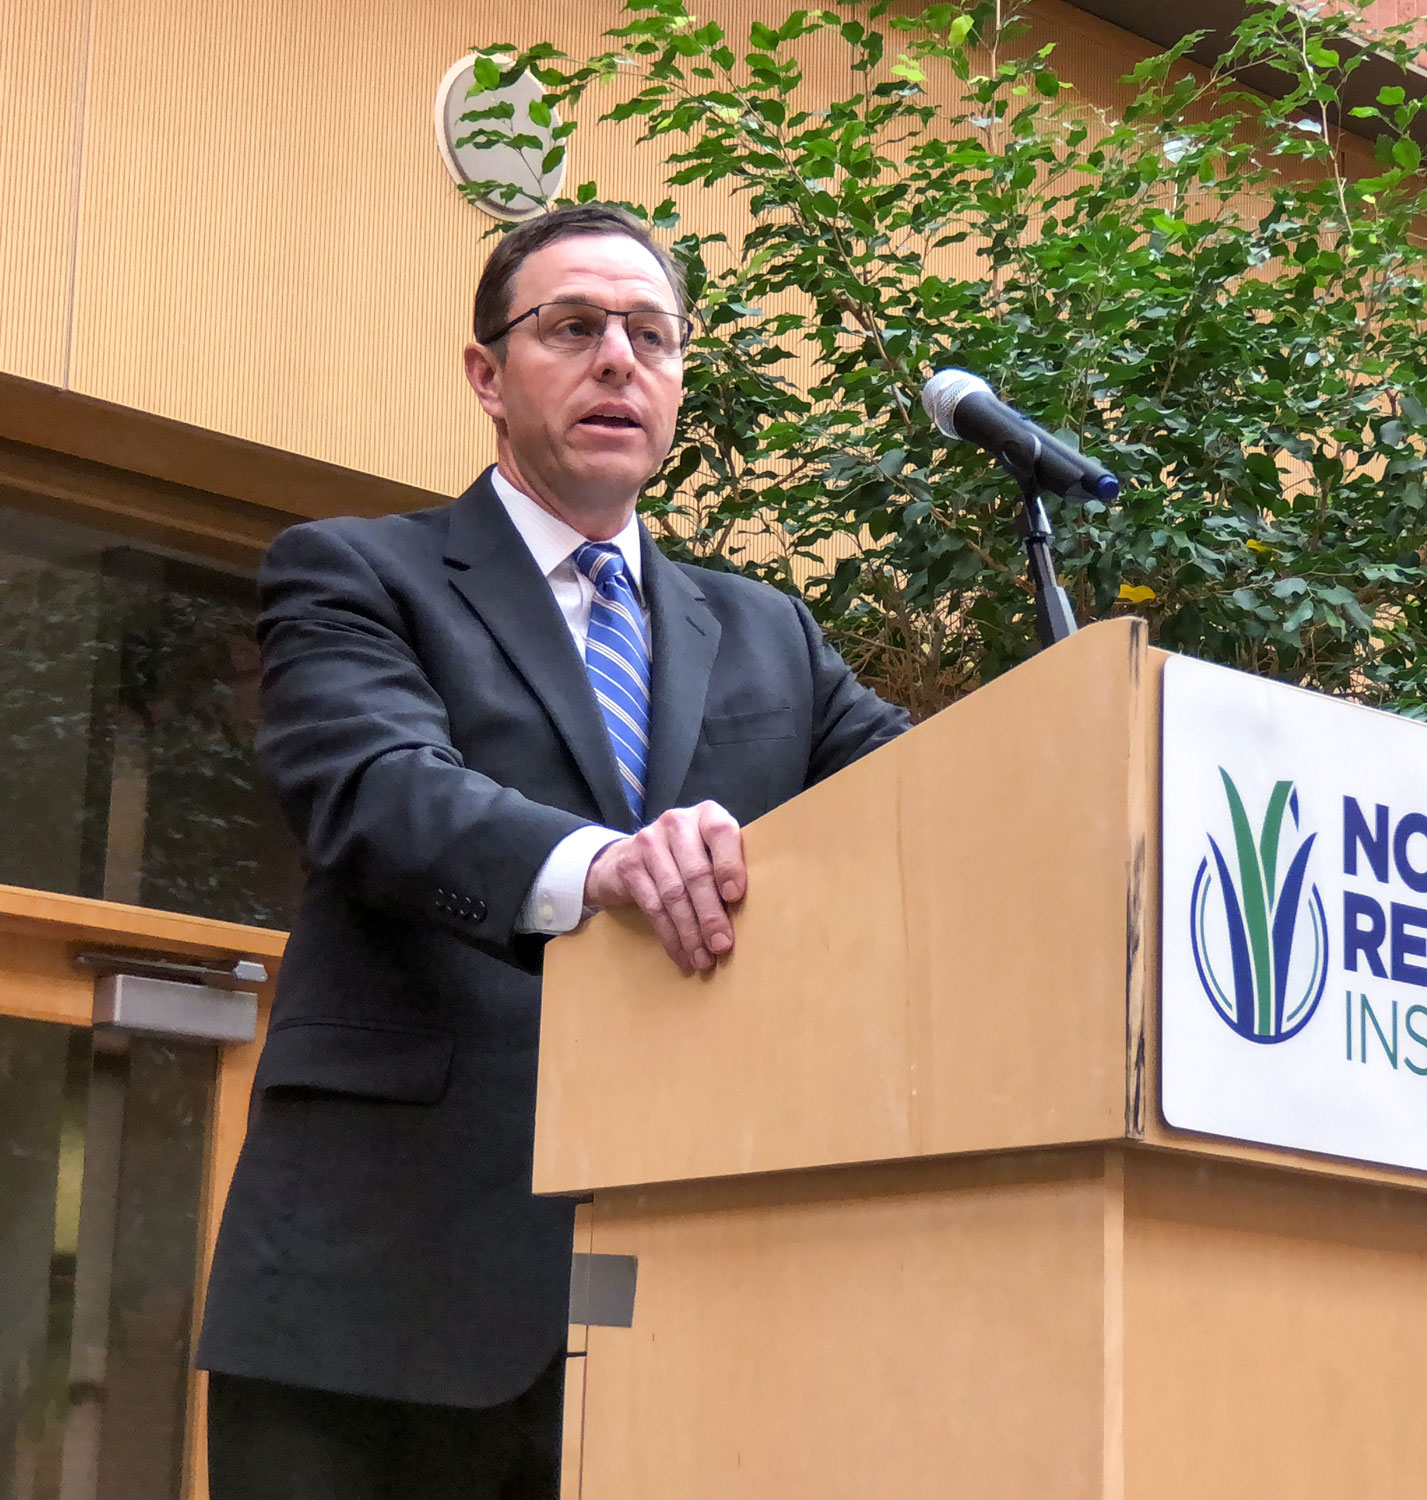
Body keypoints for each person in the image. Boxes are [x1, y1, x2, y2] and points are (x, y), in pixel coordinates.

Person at [196, 204, 909, 1499]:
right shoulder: (355, 572)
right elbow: (375, 788)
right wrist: (604, 867)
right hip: (384, 1295)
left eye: (651, 335)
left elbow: (928, 802)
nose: (618, 359)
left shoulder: (774, 637)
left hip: (691, 1307)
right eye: (573, 327)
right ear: (488, 374)